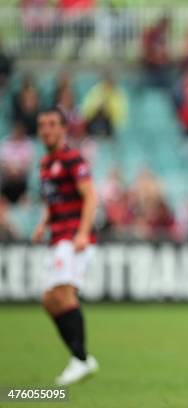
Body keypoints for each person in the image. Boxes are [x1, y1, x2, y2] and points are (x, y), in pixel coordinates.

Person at [32, 107, 99, 385]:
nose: (46, 129)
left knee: (64, 293)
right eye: (42, 125)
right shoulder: (46, 164)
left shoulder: (72, 158)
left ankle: (81, 360)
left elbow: (91, 197)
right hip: (58, 236)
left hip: (72, 238)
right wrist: (42, 223)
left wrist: (82, 233)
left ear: (62, 129)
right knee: (50, 300)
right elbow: (53, 200)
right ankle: (80, 357)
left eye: (51, 124)